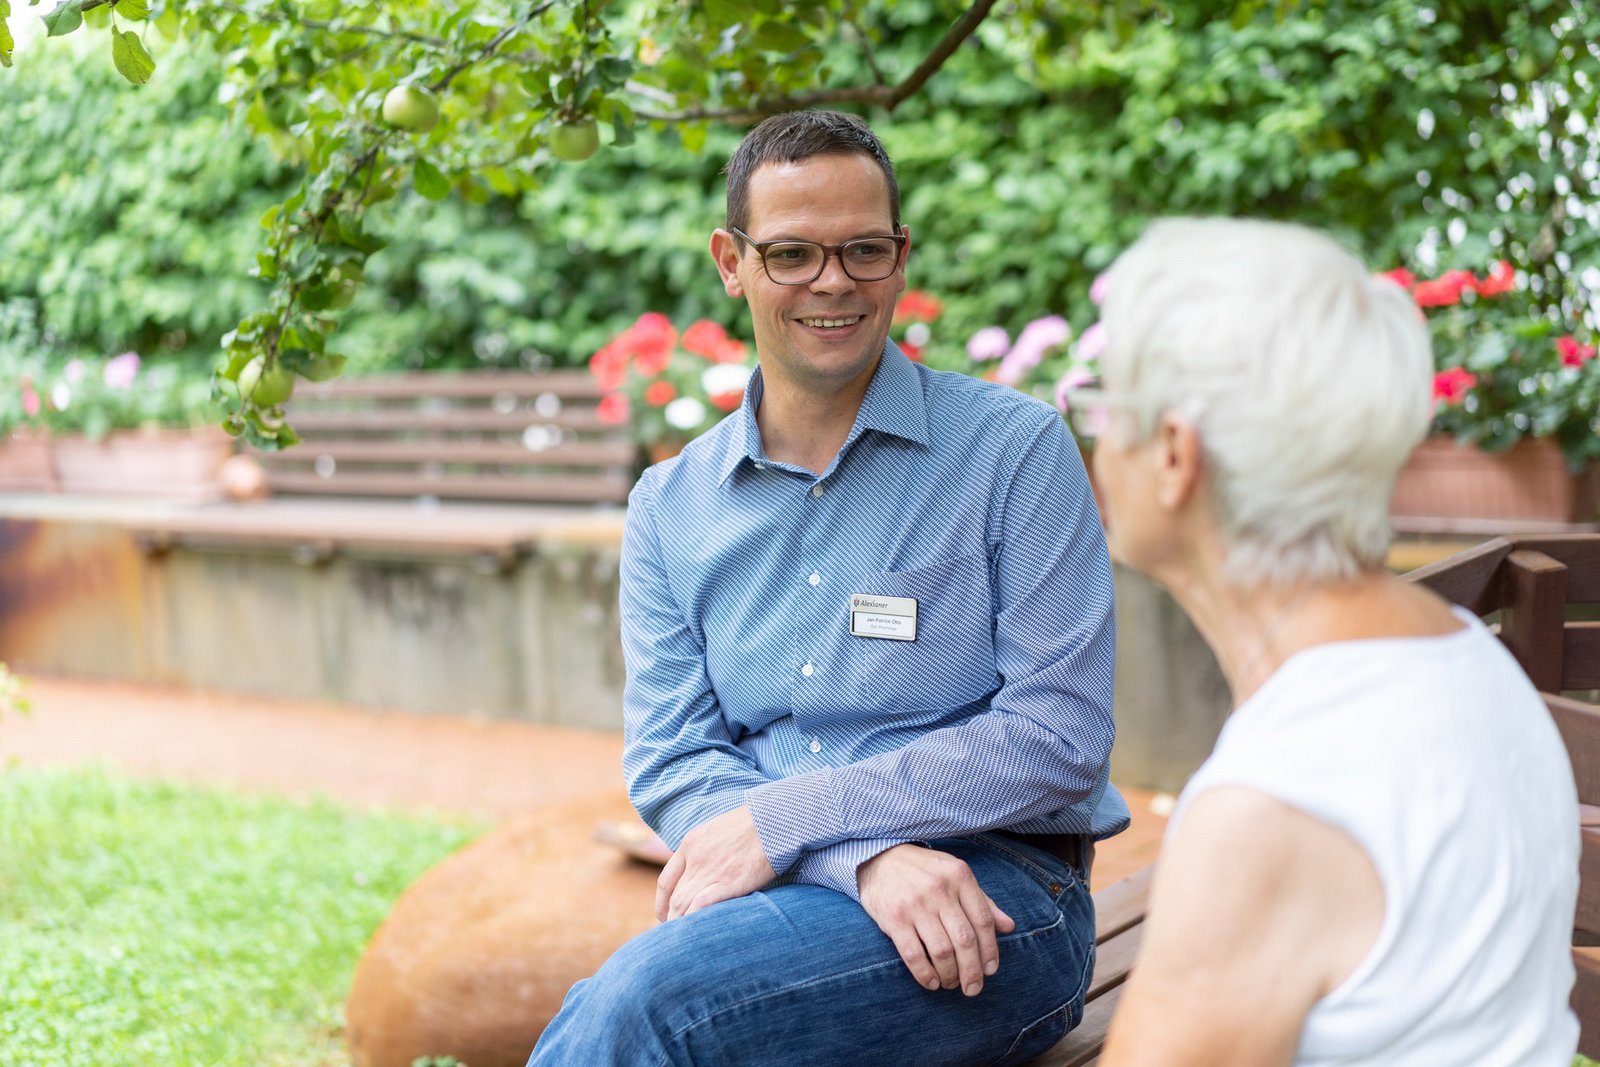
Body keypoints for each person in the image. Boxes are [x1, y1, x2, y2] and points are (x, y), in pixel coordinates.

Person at [528, 109, 1128, 1065]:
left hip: (1001, 903)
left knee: (649, 1004)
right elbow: (675, 757)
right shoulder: (668, 506)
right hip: (796, 889)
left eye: (863, 249)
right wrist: (862, 857)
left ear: (900, 254)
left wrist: (783, 820)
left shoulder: (1014, 452)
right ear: (732, 261)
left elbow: (1057, 738)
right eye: (793, 254)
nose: (833, 282)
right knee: (629, 1004)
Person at [1070, 217, 1580, 1066]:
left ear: (1172, 455)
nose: (1094, 441)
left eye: (1106, 405)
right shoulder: (1465, 656)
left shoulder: (1272, 805)